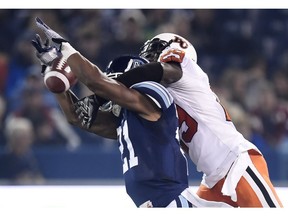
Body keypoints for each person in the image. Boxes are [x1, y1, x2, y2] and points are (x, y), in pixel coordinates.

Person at [31, 17, 233, 208]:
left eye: (115, 79)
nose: (112, 85)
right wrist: (56, 80)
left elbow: (98, 83)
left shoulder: (156, 97)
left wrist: (66, 48)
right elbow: (78, 118)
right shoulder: (129, 118)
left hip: (171, 202)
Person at [109, 33, 284, 207]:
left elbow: (158, 70)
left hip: (235, 164)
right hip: (211, 180)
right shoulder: (160, 98)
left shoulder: (185, 69)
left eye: (156, 49)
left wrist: (110, 89)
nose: (149, 56)